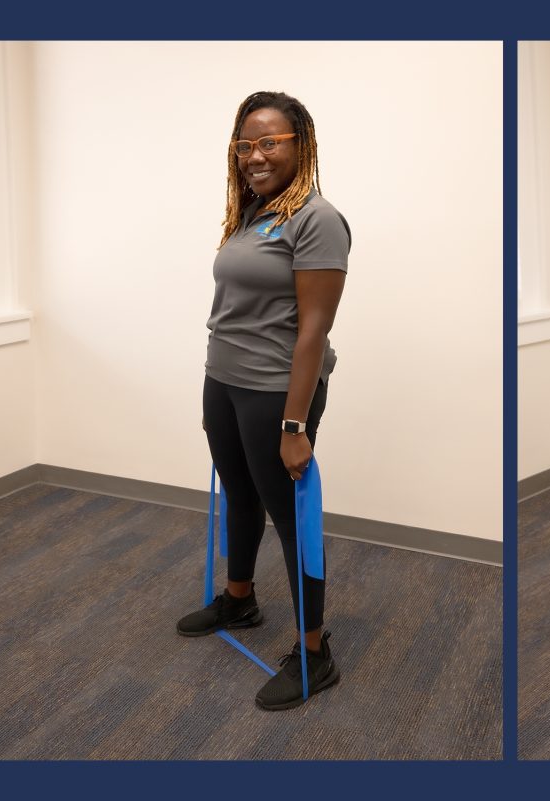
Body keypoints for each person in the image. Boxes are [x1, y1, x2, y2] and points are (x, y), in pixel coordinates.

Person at [176, 91, 350, 711]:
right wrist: (214, 387)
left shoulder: (317, 218)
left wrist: (295, 423)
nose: (254, 155)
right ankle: (240, 600)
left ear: (300, 146)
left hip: (276, 391)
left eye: (269, 142)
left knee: (290, 519)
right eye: (245, 144)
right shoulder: (253, 214)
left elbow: (313, 330)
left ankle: (314, 652)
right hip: (224, 383)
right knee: (239, 496)